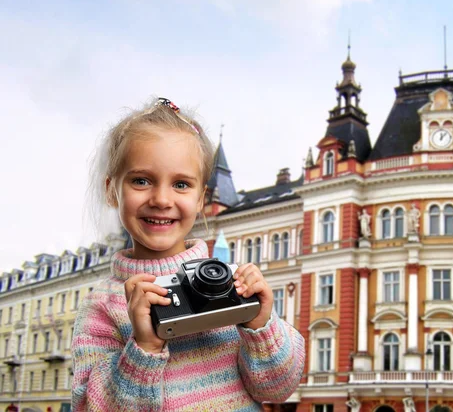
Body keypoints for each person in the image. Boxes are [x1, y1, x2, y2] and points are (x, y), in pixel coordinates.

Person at [71, 98, 305, 411]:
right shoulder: (103, 306)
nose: (161, 199)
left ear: (200, 199)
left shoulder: (229, 283)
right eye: (141, 180)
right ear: (112, 190)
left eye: (181, 184)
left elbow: (278, 388)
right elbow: (89, 406)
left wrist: (260, 325)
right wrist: (143, 346)